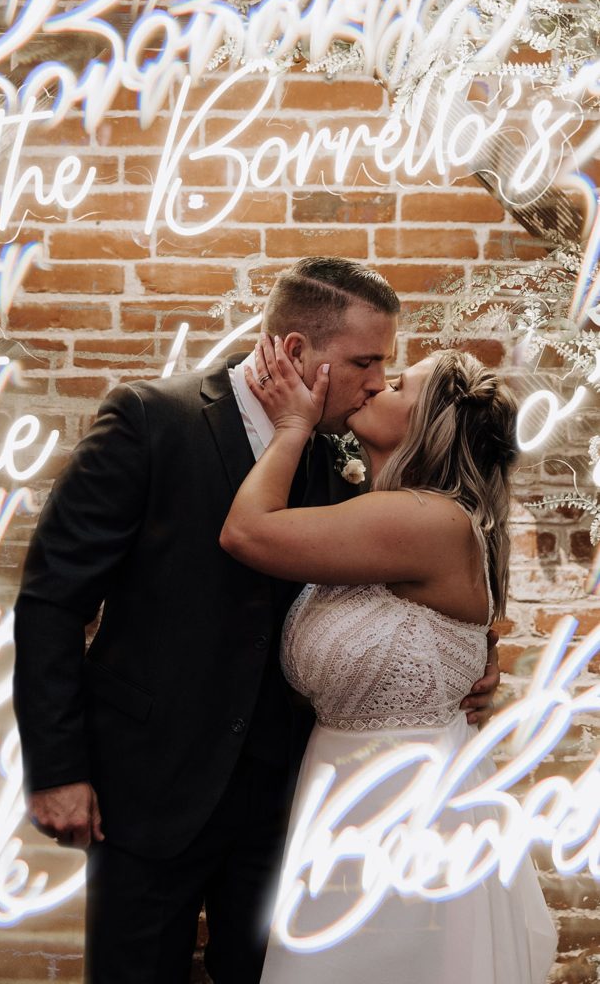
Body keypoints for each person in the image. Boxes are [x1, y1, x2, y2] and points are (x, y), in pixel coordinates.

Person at [13, 257, 500, 984]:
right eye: (364, 361)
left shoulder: (346, 454)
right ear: (298, 352)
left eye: (386, 368)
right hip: (147, 786)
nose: (374, 381)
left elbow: (420, 577)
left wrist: (474, 653)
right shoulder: (150, 420)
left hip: (288, 797)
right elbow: (53, 602)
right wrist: (56, 770)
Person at [220, 337, 558, 984]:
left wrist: (291, 425)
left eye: (398, 385)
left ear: (427, 425)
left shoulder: (424, 520)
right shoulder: (402, 516)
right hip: (345, 791)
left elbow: (246, 532)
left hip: (403, 807)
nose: (377, 385)